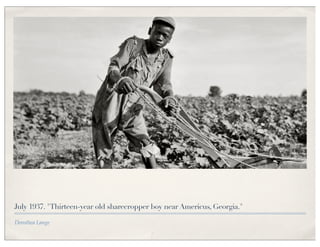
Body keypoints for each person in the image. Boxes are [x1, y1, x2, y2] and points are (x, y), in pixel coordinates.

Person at [92, 17, 176, 169]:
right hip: (112, 100)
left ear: (170, 39)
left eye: (165, 36)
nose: (160, 37)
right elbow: (114, 67)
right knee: (105, 146)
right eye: (157, 33)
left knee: (146, 144)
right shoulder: (133, 45)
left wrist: (169, 97)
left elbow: (164, 84)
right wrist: (120, 80)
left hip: (134, 106)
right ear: (150, 31)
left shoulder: (166, 58)